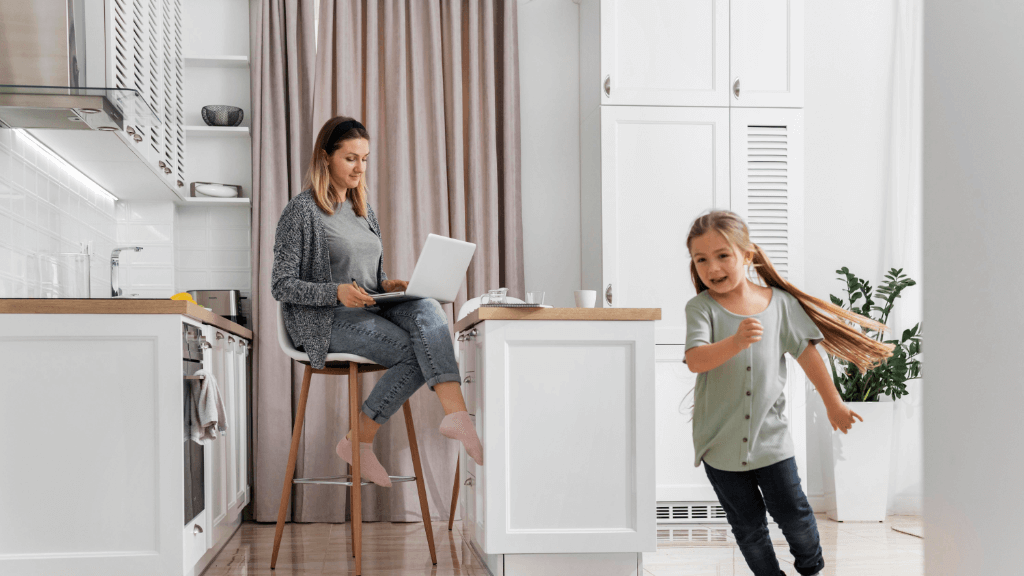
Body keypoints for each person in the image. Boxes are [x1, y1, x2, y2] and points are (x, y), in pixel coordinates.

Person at [271, 115, 483, 488]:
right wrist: (335, 291)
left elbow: (366, 275)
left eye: (364, 158)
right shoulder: (301, 211)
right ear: (326, 158)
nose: (360, 167)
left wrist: (388, 283)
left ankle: (454, 416)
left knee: (428, 309)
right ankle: (360, 441)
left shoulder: (363, 210)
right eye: (350, 158)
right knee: (418, 350)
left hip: (367, 308)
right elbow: (281, 284)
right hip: (324, 320)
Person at [682, 209, 895, 576]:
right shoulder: (701, 309)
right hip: (719, 444)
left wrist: (834, 404)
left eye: (722, 255)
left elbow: (808, 355)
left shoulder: (780, 303)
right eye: (701, 259)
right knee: (748, 529)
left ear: (747, 256)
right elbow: (696, 360)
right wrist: (735, 342)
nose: (712, 267)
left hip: (772, 440)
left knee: (795, 517)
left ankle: (812, 570)